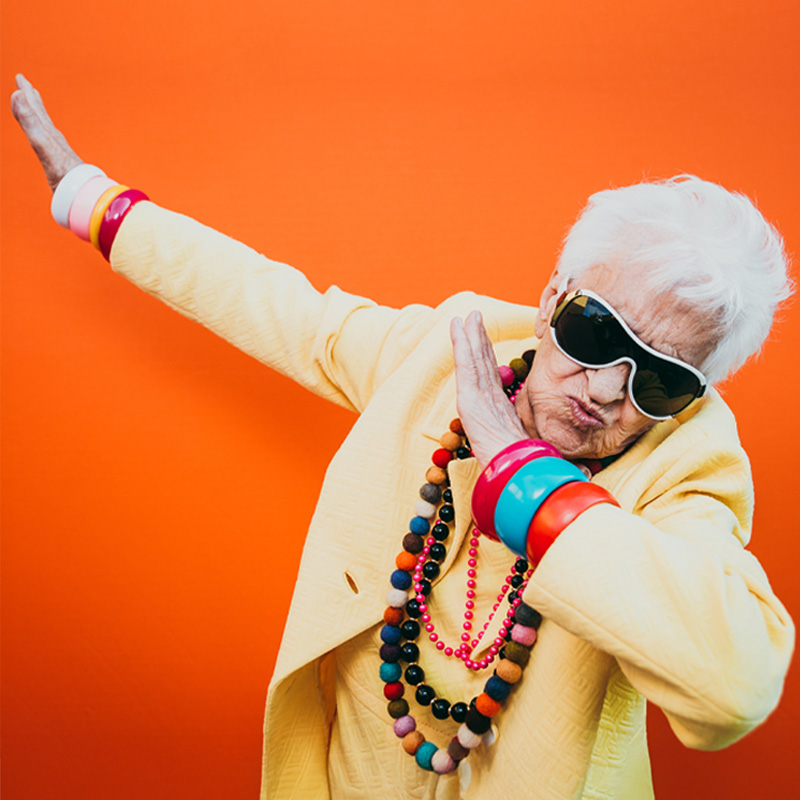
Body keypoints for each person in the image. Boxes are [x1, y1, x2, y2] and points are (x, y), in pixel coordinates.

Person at [11, 73, 795, 800]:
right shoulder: (442, 358)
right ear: (554, 297)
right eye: (598, 334)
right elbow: (279, 307)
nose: (605, 390)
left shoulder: (685, 468)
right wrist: (92, 201)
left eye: (661, 379)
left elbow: (737, 684)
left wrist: (520, 475)